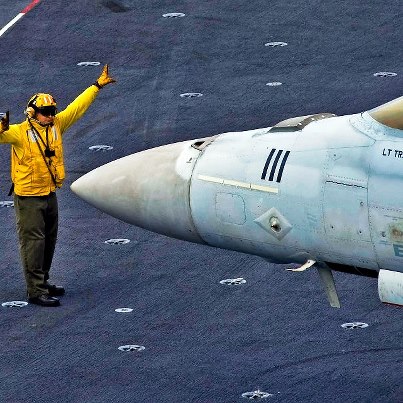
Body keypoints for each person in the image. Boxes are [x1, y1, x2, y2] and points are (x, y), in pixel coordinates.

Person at [0, 65, 116, 307]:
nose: (52, 115)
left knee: (49, 240)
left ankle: (43, 280)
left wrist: (96, 86)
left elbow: (76, 108)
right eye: (46, 112)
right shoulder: (19, 133)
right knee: (33, 243)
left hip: (49, 193)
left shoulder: (56, 126)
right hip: (28, 197)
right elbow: (2, 135)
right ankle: (35, 290)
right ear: (32, 113)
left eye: (52, 110)